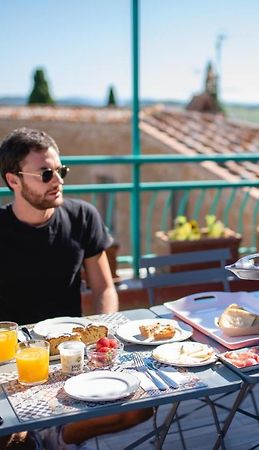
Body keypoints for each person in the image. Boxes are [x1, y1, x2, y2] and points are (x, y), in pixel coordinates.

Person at [0, 128, 153, 449]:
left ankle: (53, 438)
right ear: (13, 180)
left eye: (61, 171)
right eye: (46, 174)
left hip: (72, 352)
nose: (58, 181)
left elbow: (104, 288)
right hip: (11, 358)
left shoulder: (83, 216)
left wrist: (104, 334)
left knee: (139, 408)